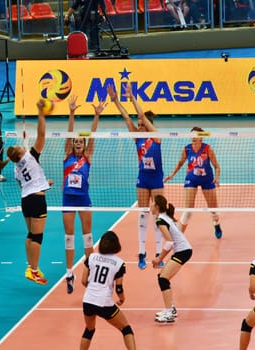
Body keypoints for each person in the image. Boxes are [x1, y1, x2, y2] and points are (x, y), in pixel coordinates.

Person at [109, 84, 165, 270]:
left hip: (157, 180)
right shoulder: (137, 137)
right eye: (139, 125)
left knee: (158, 215)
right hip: (143, 179)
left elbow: (140, 116)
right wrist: (116, 101)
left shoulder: (156, 137)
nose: (139, 126)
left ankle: (158, 252)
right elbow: (127, 117)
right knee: (142, 214)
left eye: (142, 125)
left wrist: (132, 97)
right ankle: (142, 252)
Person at [63, 95, 105, 294]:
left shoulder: (87, 157)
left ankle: (94, 271)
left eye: (81, 141)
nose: (78, 143)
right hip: (68, 200)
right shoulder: (66, 156)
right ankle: (69, 273)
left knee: (88, 237)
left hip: (84, 199)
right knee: (69, 237)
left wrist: (96, 116)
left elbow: (93, 135)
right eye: (76, 141)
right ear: (72, 144)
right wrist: (71, 112)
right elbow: (69, 133)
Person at [6, 100, 52, 285]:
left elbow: (25, 184)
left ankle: (31, 267)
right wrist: (41, 113)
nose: (22, 146)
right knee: (37, 237)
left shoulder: (16, 168)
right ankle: (33, 270)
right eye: (19, 146)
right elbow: (42, 135)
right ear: (20, 152)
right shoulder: (30, 155)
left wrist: (43, 182)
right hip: (37, 200)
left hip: (26, 200)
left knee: (31, 236)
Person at [80, 230, 136, 350]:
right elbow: (119, 288)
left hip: (88, 300)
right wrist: (122, 299)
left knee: (89, 330)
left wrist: (93, 289)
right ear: (116, 245)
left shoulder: (91, 257)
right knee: (126, 329)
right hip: (104, 303)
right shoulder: (119, 263)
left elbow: (84, 281)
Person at [164, 126, 223, 239]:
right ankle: (178, 236)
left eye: (195, 136)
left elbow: (217, 167)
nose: (193, 138)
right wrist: (172, 174)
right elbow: (180, 163)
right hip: (191, 179)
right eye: (191, 136)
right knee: (188, 209)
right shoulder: (187, 149)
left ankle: (216, 224)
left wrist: (216, 178)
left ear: (201, 138)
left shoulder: (207, 149)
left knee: (213, 209)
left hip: (207, 179)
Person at [151, 195, 193, 323]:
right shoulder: (164, 217)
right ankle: (171, 309)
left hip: (183, 251)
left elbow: (169, 242)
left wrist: (159, 259)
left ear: (157, 206)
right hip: (183, 251)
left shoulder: (160, 220)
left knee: (163, 279)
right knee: (162, 277)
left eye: (152, 203)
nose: (150, 206)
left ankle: (169, 313)